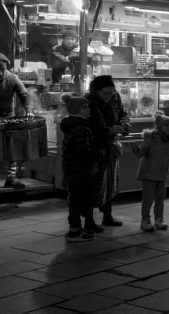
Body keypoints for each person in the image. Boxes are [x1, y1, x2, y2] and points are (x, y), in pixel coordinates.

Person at [0, 53, 33, 188]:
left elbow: (24, 95)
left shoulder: (12, 78)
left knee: (12, 148)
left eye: (2, 70)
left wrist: (29, 109)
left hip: (8, 117)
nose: (0, 73)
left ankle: (11, 177)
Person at [86, 75, 131, 226]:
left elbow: (122, 114)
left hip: (110, 147)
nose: (110, 96)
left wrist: (125, 125)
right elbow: (89, 127)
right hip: (95, 148)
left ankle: (107, 215)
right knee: (95, 185)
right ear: (96, 91)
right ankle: (89, 220)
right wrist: (109, 130)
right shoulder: (88, 102)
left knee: (111, 183)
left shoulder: (115, 97)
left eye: (112, 92)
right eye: (106, 93)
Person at [60, 95, 101, 242]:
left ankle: (75, 227)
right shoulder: (81, 128)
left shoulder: (71, 125)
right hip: (81, 172)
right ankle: (75, 232)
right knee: (80, 200)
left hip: (72, 171)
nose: (89, 110)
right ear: (77, 110)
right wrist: (98, 153)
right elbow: (83, 153)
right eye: (85, 107)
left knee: (74, 200)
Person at [132, 112, 169, 232]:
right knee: (148, 198)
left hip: (162, 173)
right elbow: (141, 153)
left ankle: (159, 219)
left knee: (161, 197)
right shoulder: (151, 138)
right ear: (159, 127)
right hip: (149, 172)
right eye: (166, 125)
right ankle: (145, 220)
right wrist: (136, 149)